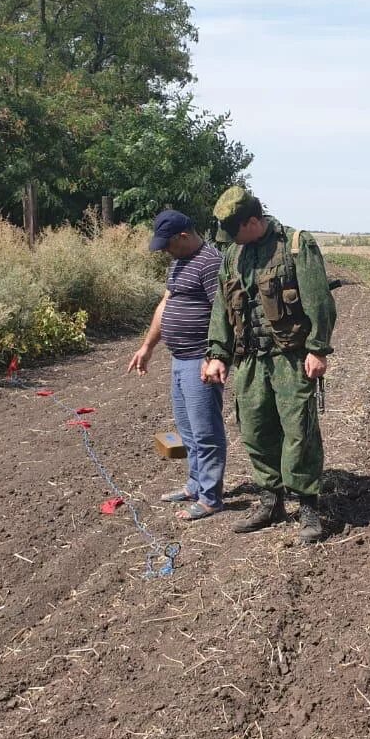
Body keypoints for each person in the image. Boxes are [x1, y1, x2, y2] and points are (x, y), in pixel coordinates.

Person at [203, 187, 337, 545]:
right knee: (256, 430)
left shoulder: (295, 245)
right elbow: (222, 307)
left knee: (298, 431)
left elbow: (319, 302)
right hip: (250, 359)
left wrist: (318, 349)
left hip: (290, 358)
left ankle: (308, 505)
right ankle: (270, 500)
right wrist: (218, 353)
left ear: (252, 221)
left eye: (234, 231)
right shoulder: (232, 254)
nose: (230, 240)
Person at [127, 209, 226, 520]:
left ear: (184, 236)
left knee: (206, 431)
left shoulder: (211, 262)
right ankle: (195, 485)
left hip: (201, 360)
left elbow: (223, 313)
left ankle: (211, 498)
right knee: (187, 430)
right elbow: (165, 304)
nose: (165, 251)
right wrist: (147, 346)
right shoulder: (178, 262)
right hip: (179, 359)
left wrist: (215, 356)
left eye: (168, 244)